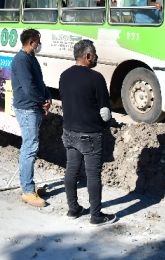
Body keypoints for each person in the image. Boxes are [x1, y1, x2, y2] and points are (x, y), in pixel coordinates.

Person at [58, 39, 116, 226]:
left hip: (69, 132)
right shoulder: (96, 78)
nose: (95, 57)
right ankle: (96, 216)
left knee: (71, 171)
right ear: (88, 56)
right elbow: (105, 113)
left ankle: (73, 209)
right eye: (94, 54)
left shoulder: (64, 75)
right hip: (90, 134)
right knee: (93, 175)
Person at [10, 28, 51, 207]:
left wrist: (47, 97)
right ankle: (27, 190)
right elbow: (28, 88)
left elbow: (39, 83)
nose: (39, 43)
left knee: (29, 146)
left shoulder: (31, 58)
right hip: (27, 109)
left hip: (33, 107)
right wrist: (42, 101)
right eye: (37, 40)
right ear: (30, 42)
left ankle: (27, 183)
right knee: (30, 147)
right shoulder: (21, 60)